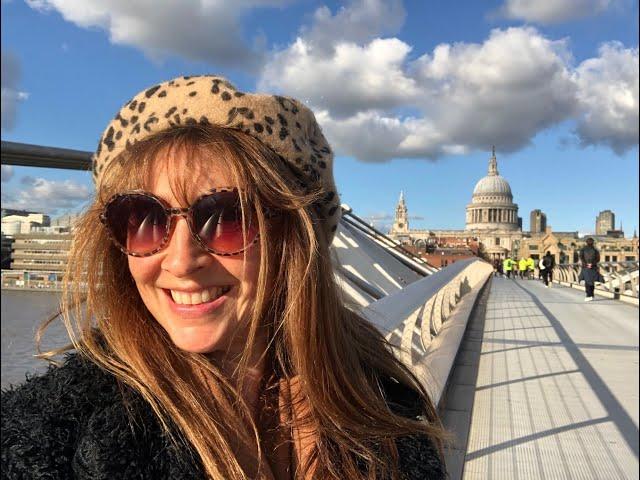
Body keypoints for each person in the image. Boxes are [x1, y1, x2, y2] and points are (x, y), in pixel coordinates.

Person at [1, 76, 447, 479]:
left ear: (296, 236)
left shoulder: (380, 399)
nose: (180, 261)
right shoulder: (50, 434)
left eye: (227, 217)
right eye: (143, 218)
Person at [579, 237, 601, 302]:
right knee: (592, 281)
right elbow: (598, 259)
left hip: (585, 267)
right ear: (593, 243)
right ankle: (591, 294)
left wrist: (586, 264)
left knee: (587, 281)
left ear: (586, 242)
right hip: (593, 267)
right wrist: (592, 264)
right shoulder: (595, 250)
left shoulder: (583, 249)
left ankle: (588, 295)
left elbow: (581, 257)